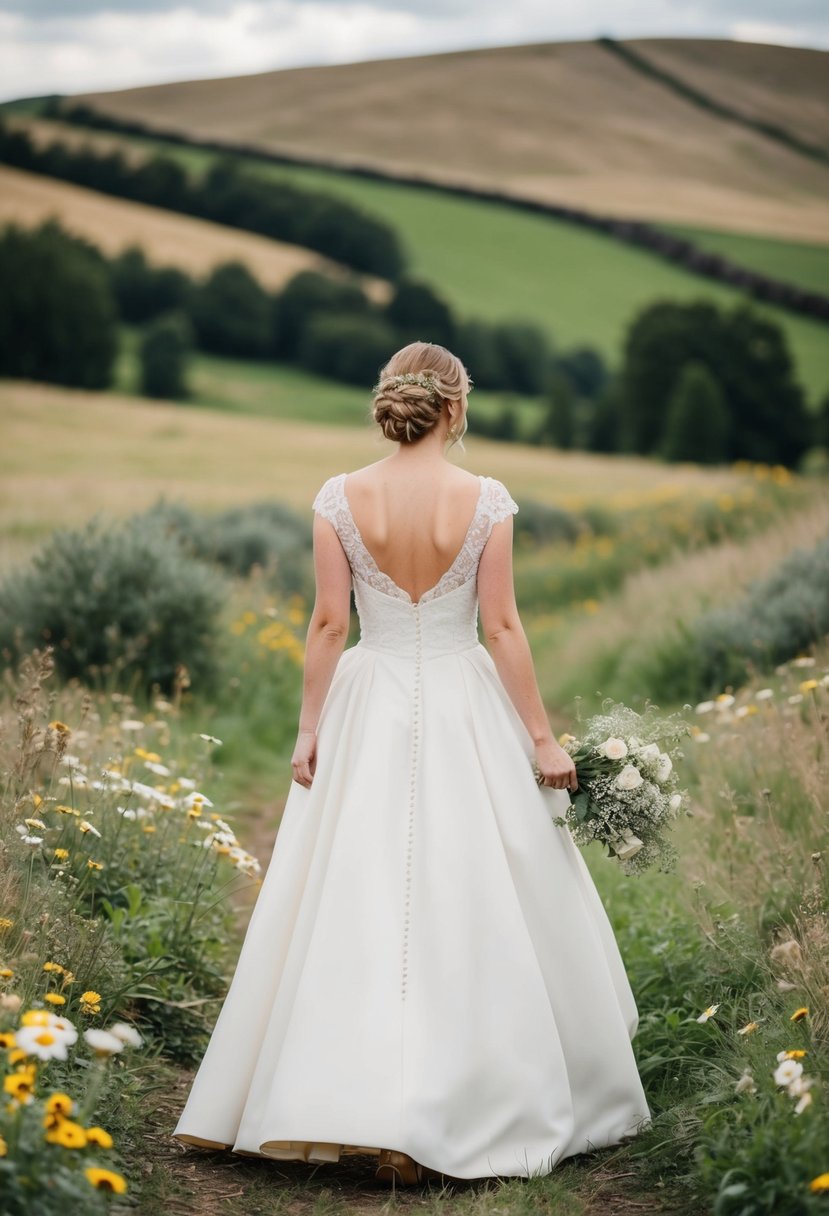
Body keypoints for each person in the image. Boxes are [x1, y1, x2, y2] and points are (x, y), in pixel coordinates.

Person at [172, 340, 652, 1184]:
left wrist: (307, 727)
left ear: (390, 405)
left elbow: (328, 623)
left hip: (369, 703)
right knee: (472, 889)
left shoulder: (338, 497)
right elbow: (501, 628)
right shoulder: (486, 500)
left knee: (357, 892)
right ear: (455, 408)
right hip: (467, 701)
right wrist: (540, 737)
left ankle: (338, 1093)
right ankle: (464, 1097)